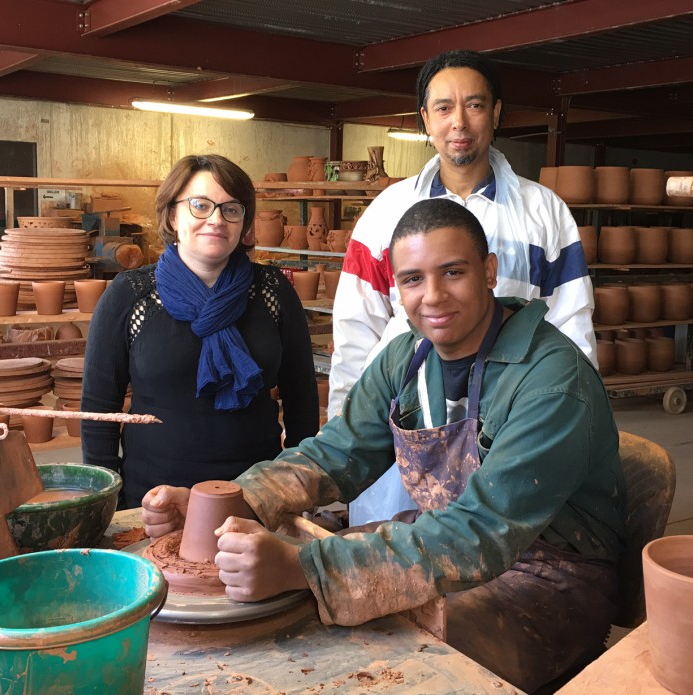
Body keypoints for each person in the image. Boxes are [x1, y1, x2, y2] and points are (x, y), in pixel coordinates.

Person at [142, 199, 625, 692]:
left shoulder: (552, 381)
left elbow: (482, 532)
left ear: (489, 271)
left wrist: (303, 567)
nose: (432, 296)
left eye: (452, 272)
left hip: (550, 579)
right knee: (322, 612)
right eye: (413, 279)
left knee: (381, 668)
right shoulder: (407, 359)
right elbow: (337, 452)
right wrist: (228, 503)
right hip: (442, 536)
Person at [329, 49, 597, 525]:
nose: (459, 122)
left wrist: (574, 426)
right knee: (393, 563)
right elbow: (356, 328)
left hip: (513, 420)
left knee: (500, 552)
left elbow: (572, 328)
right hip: (408, 416)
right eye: (443, 108)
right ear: (425, 120)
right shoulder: (386, 213)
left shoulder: (544, 212)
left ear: (495, 113)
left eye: (474, 105)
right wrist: (343, 425)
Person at [82, 154, 320, 508]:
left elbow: (301, 397)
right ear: (173, 215)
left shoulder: (273, 292)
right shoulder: (130, 295)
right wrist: (106, 503)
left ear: (244, 223)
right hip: (153, 501)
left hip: (256, 499)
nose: (216, 220)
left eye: (230, 209)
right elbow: (99, 408)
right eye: (200, 206)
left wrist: (299, 487)